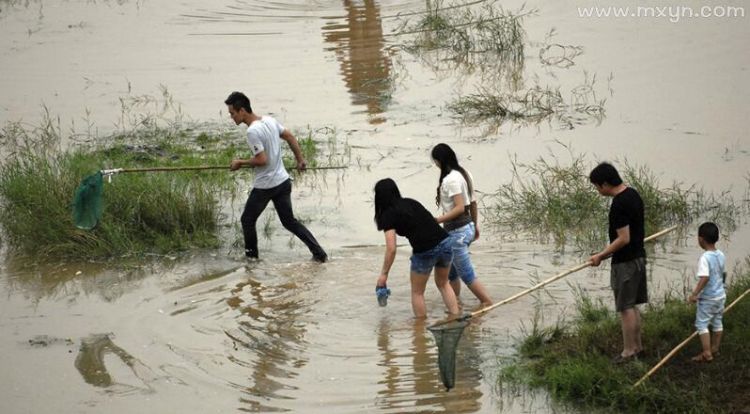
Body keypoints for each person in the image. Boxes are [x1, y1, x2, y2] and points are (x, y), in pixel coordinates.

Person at [224, 91, 327, 262]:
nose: (231, 117)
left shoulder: (252, 132)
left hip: (266, 186)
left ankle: (252, 260)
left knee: (247, 220)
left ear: (242, 110)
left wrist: (240, 163)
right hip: (282, 182)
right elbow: (289, 136)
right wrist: (300, 159)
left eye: (232, 113)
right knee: (289, 221)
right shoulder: (269, 120)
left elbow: (262, 159)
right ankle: (319, 253)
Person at [373, 178, 460, 318]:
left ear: (378, 197)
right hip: (445, 242)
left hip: (425, 251)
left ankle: (420, 330)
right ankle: (456, 317)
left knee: (417, 292)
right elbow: (429, 221)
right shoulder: (410, 202)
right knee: (443, 284)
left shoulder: (387, 215)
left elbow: (391, 248)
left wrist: (384, 274)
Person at [588, 162, 646, 363]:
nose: (597, 191)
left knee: (625, 307)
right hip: (639, 257)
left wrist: (600, 256)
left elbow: (623, 238)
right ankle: (637, 346)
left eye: (597, 186)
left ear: (605, 184)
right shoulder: (633, 194)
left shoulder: (619, 204)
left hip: (626, 262)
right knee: (632, 305)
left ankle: (629, 351)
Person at [430, 143, 493, 308]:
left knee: (466, 274)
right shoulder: (464, 173)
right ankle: (455, 304)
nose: (436, 164)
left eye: (436, 161)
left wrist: (438, 220)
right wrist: (474, 224)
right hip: (465, 228)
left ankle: (487, 303)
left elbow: (459, 207)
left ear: (439, 161)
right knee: (451, 272)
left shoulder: (451, 180)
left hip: (458, 232)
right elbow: (472, 203)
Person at [688, 222, 726, 363]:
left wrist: (694, 294)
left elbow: (705, 277)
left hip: (709, 298)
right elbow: (722, 274)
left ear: (701, 239)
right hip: (720, 296)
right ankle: (715, 348)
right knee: (717, 321)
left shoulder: (705, 258)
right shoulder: (720, 254)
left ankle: (706, 353)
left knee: (702, 325)